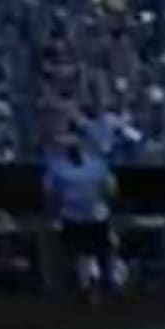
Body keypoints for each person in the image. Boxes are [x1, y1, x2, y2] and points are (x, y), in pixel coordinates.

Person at [44, 130, 120, 309]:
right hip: (74, 217)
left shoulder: (96, 164)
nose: (73, 150)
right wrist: (54, 214)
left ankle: (106, 282)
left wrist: (106, 203)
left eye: (75, 147)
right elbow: (50, 194)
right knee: (82, 253)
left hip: (95, 215)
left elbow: (111, 189)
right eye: (70, 147)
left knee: (104, 250)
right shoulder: (58, 167)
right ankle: (88, 287)